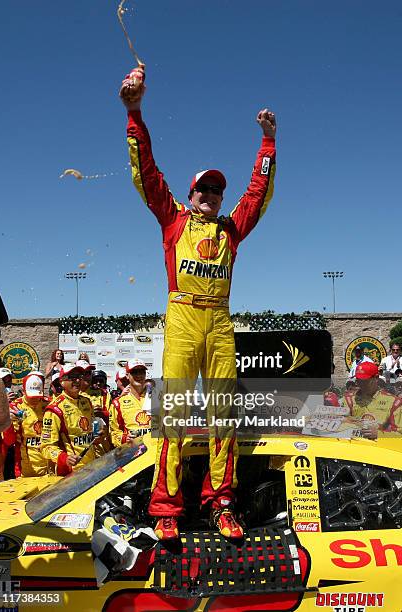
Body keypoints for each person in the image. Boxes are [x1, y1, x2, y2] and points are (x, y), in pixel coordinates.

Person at [120, 66, 276, 540]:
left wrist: (268, 144)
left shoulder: (231, 228)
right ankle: (165, 509)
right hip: (184, 317)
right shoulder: (173, 220)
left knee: (224, 418)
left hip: (221, 322)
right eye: (203, 188)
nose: (210, 194)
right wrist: (134, 113)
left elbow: (258, 192)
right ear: (190, 195)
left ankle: (222, 504)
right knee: (173, 415)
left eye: (216, 189)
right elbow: (147, 174)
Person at [40, 363, 97, 475]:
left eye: (79, 377)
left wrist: (98, 433)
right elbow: (46, 447)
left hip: (91, 467)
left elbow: (91, 433)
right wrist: (64, 458)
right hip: (71, 473)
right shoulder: (54, 409)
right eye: (71, 377)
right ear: (62, 381)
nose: (76, 380)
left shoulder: (86, 401)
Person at [4, 372, 49, 477]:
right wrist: (9, 424)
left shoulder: (49, 404)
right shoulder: (15, 407)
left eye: (37, 395)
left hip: (50, 466)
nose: (34, 399)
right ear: (23, 391)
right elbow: (9, 441)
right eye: (31, 395)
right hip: (25, 469)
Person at [343, 361, 402, 439]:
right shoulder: (349, 398)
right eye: (358, 380)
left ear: (376, 378)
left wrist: (379, 435)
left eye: (364, 380)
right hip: (354, 445)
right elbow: (340, 425)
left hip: (379, 448)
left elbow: (399, 434)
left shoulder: (393, 401)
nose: (360, 384)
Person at [110, 359, 151, 447]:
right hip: (131, 453)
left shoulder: (158, 398)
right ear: (127, 376)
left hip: (154, 450)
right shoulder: (118, 403)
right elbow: (114, 432)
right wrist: (125, 438)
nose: (139, 375)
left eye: (142, 372)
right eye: (134, 372)